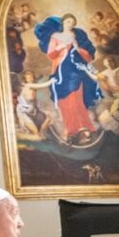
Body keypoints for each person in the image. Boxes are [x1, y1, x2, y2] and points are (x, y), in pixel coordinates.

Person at [34, 12, 102, 143]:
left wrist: (78, 50)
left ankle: (83, 126)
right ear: (63, 23)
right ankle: (70, 129)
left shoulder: (75, 37)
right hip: (60, 69)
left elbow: (84, 56)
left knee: (76, 97)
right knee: (64, 100)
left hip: (74, 70)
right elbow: (50, 54)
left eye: (72, 23)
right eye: (68, 22)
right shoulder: (55, 36)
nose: (70, 24)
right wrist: (59, 47)